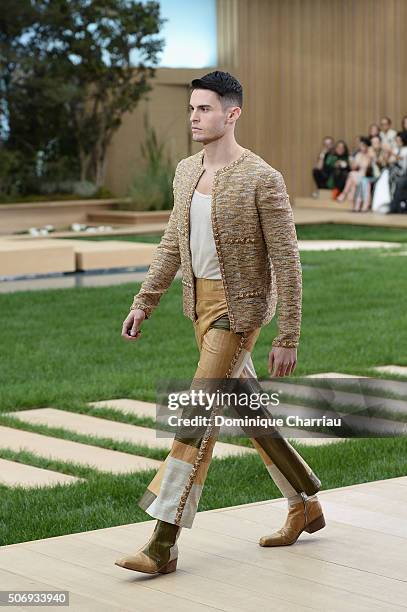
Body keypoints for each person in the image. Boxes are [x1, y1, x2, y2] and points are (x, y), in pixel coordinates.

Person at [114, 70, 324, 576]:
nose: (194, 117)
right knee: (248, 411)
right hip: (199, 307)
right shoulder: (186, 171)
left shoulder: (262, 178)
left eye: (204, 108)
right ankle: (306, 502)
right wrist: (145, 301)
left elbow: (287, 261)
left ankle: (162, 544)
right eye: (191, 108)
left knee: (196, 417)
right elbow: (172, 243)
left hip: (240, 311)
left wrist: (288, 334)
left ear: (232, 114)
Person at [337, 136, 373, 211]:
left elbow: (368, 167)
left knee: (351, 175)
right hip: (358, 175)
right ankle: (355, 206)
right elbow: (354, 167)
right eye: (360, 146)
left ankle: (344, 194)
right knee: (353, 181)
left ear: (367, 146)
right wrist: (352, 161)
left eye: (363, 146)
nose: (361, 148)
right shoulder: (358, 155)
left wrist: (366, 156)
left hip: (366, 175)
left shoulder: (370, 155)